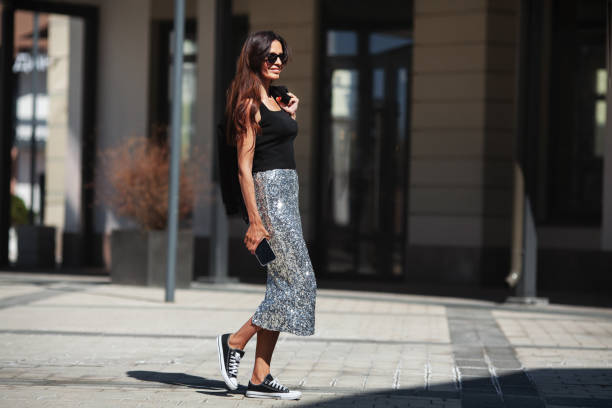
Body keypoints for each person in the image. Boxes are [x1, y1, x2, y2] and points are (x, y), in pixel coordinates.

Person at [216, 30, 317, 400]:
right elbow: (244, 169)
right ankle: (234, 340)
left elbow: (277, 145)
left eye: (281, 57)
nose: (277, 62)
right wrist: (255, 221)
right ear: (255, 58)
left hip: (287, 195)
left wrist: (290, 115)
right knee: (301, 281)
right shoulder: (247, 105)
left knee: (281, 285)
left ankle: (260, 378)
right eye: (270, 56)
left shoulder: (275, 101)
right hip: (270, 198)